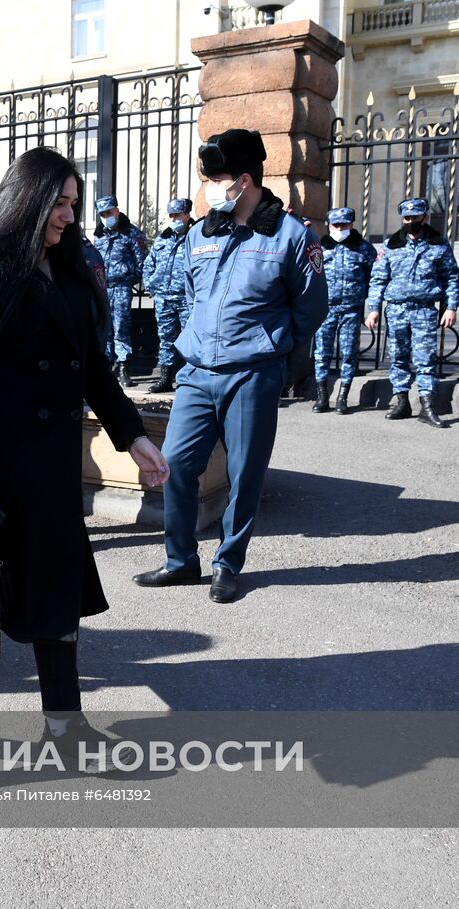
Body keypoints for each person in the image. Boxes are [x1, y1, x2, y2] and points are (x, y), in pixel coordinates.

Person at [0, 147, 169, 766]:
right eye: (59, 203)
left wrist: (135, 437)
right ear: (28, 200)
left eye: (73, 204)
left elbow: (93, 367)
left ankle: (65, 727)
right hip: (2, 464)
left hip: (53, 466)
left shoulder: (68, 270)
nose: (70, 215)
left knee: (56, 590)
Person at [135, 128, 327, 603]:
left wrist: (274, 351)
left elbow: (311, 308)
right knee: (175, 465)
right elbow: (190, 294)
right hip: (198, 373)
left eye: (217, 178)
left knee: (244, 475)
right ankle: (180, 561)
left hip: (252, 373)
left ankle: (228, 562)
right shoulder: (201, 232)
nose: (209, 188)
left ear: (244, 180)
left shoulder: (291, 236)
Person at [365, 198, 459, 428]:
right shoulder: (391, 245)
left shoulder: (438, 244)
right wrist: (373, 309)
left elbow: (451, 277)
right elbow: (378, 279)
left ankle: (427, 406)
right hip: (396, 309)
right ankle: (402, 402)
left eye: (415, 217)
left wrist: (451, 307)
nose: (411, 222)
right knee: (397, 357)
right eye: (407, 218)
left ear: (424, 217)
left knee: (425, 359)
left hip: (424, 310)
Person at [313, 206, 376, 414]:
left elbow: (372, 278)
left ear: (351, 224)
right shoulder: (320, 248)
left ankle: (343, 397)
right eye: (336, 225)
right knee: (322, 353)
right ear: (329, 225)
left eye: (344, 224)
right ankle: (322, 397)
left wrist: (365, 301)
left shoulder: (364, 249)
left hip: (351, 309)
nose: (340, 228)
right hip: (325, 308)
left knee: (349, 353)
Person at [93, 195, 149, 387]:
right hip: (102, 288)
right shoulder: (99, 235)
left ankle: (123, 366)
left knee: (121, 327)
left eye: (109, 212)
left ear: (116, 210)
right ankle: (106, 365)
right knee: (104, 327)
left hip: (121, 287)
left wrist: (127, 277)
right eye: (102, 214)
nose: (106, 216)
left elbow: (142, 262)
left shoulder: (132, 234)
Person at [143, 198, 194, 393]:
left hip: (186, 299)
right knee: (166, 338)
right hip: (164, 298)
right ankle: (165, 378)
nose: (173, 219)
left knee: (189, 338)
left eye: (177, 215)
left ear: (187, 215)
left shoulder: (195, 237)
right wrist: (151, 285)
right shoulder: (162, 239)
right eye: (171, 215)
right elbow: (149, 264)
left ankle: (189, 378)